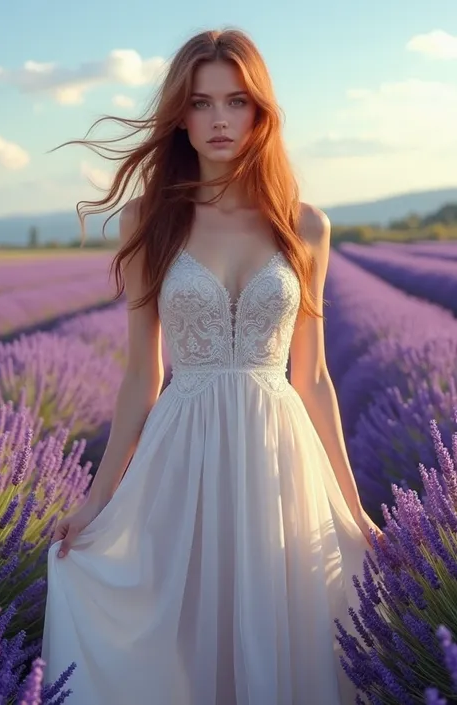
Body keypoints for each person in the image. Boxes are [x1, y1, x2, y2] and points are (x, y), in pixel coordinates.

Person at [42, 27, 383, 705]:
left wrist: (354, 507)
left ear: (261, 111)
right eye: (201, 103)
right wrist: (96, 498)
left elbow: (311, 378)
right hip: (182, 455)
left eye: (236, 101)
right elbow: (142, 373)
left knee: (280, 626)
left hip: (277, 455)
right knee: (184, 636)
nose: (220, 119)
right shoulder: (149, 219)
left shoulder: (303, 224)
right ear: (180, 114)